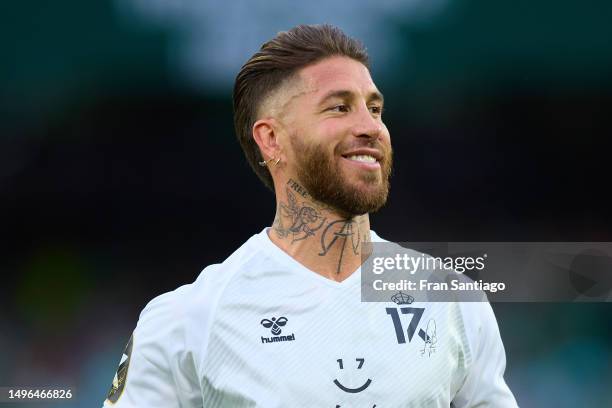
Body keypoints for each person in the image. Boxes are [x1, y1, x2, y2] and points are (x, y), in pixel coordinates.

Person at [103, 24, 518, 407]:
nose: (370, 127)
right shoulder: (187, 320)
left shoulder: (452, 301)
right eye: (339, 108)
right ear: (271, 139)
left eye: (374, 109)